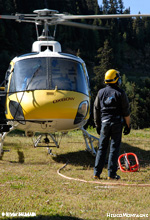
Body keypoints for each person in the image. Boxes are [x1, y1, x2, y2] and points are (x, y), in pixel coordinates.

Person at [93, 69, 131, 180]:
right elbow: (126, 112)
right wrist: (128, 126)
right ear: (116, 80)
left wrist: (97, 125)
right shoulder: (120, 93)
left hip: (104, 123)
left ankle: (96, 173)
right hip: (116, 123)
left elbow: (96, 110)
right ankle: (111, 174)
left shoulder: (100, 92)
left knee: (101, 148)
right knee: (114, 148)